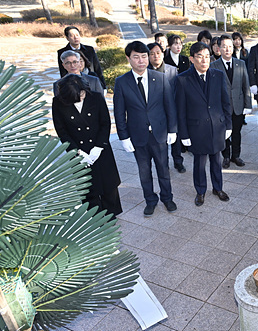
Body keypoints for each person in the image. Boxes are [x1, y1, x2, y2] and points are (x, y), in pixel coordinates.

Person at [113, 41, 178, 216]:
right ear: (128, 58)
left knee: (163, 169)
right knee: (144, 172)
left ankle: (167, 197)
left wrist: (172, 129)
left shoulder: (160, 78)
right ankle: (150, 200)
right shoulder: (122, 82)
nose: (141, 61)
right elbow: (119, 112)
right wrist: (124, 137)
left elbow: (169, 106)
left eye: (144, 56)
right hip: (137, 135)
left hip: (159, 133)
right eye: (136, 57)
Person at [52, 74, 122, 219]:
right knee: (88, 186)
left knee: (108, 184)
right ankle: (95, 217)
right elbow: (62, 131)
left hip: (99, 147)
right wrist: (76, 151)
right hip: (78, 151)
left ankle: (111, 213)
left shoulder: (96, 97)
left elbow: (105, 123)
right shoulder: (58, 103)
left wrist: (99, 147)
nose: (80, 98)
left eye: (82, 94)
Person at [175, 42, 232, 207]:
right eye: (200, 56)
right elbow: (180, 110)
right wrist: (183, 134)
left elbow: (225, 102)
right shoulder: (182, 79)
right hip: (196, 130)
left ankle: (218, 188)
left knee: (216, 160)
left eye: (207, 56)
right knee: (199, 163)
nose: (204, 60)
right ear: (192, 59)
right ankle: (200, 191)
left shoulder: (218, 75)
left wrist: (228, 125)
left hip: (217, 127)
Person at [210, 35, 252, 168]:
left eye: (230, 46)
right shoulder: (214, 66)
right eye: (224, 47)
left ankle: (236, 155)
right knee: (224, 133)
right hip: (222, 108)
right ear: (219, 48)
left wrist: (248, 104)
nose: (227, 49)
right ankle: (226, 156)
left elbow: (246, 85)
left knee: (237, 132)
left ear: (233, 48)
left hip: (238, 105)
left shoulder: (241, 64)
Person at [148, 42, 185, 173]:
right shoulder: (145, 72)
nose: (155, 56)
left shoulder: (172, 70)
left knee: (175, 138)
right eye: (152, 54)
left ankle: (178, 161)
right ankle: (164, 165)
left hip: (171, 111)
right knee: (160, 142)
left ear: (163, 54)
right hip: (155, 114)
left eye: (158, 53)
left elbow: (176, 92)